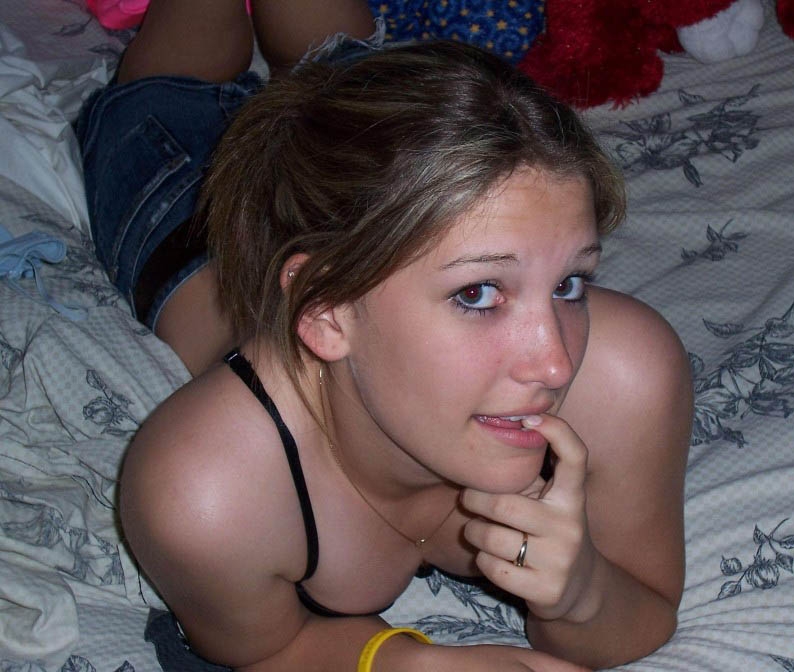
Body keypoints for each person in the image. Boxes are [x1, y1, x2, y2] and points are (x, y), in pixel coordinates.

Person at [77, 1, 693, 670]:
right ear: (327, 313)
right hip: (177, 189)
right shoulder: (202, 497)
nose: (556, 364)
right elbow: (266, 648)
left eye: (569, 283)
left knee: (333, 52)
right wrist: (402, 662)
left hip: (371, 154)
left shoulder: (626, 376)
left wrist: (581, 593)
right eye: (477, 293)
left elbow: (645, 607)